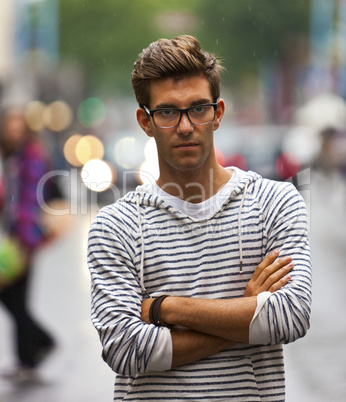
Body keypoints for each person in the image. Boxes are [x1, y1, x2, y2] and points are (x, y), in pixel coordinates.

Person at [88, 35, 312, 401]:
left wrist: (165, 307)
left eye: (198, 108)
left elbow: (290, 317)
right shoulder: (117, 225)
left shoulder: (276, 202)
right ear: (145, 121)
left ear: (218, 113)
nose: (186, 126)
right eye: (167, 112)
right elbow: (125, 350)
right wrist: (245, 311)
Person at [0, 108, 55, 383]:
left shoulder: (31, 156)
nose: (13, 130)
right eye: (10, 124)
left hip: (25, 238)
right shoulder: (14, 157)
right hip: (15, 238)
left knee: (15, 298)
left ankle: (42, 343)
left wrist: (24, 239)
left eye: (18, 125)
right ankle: (28, 358)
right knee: (16, 298)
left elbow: (32, 200)